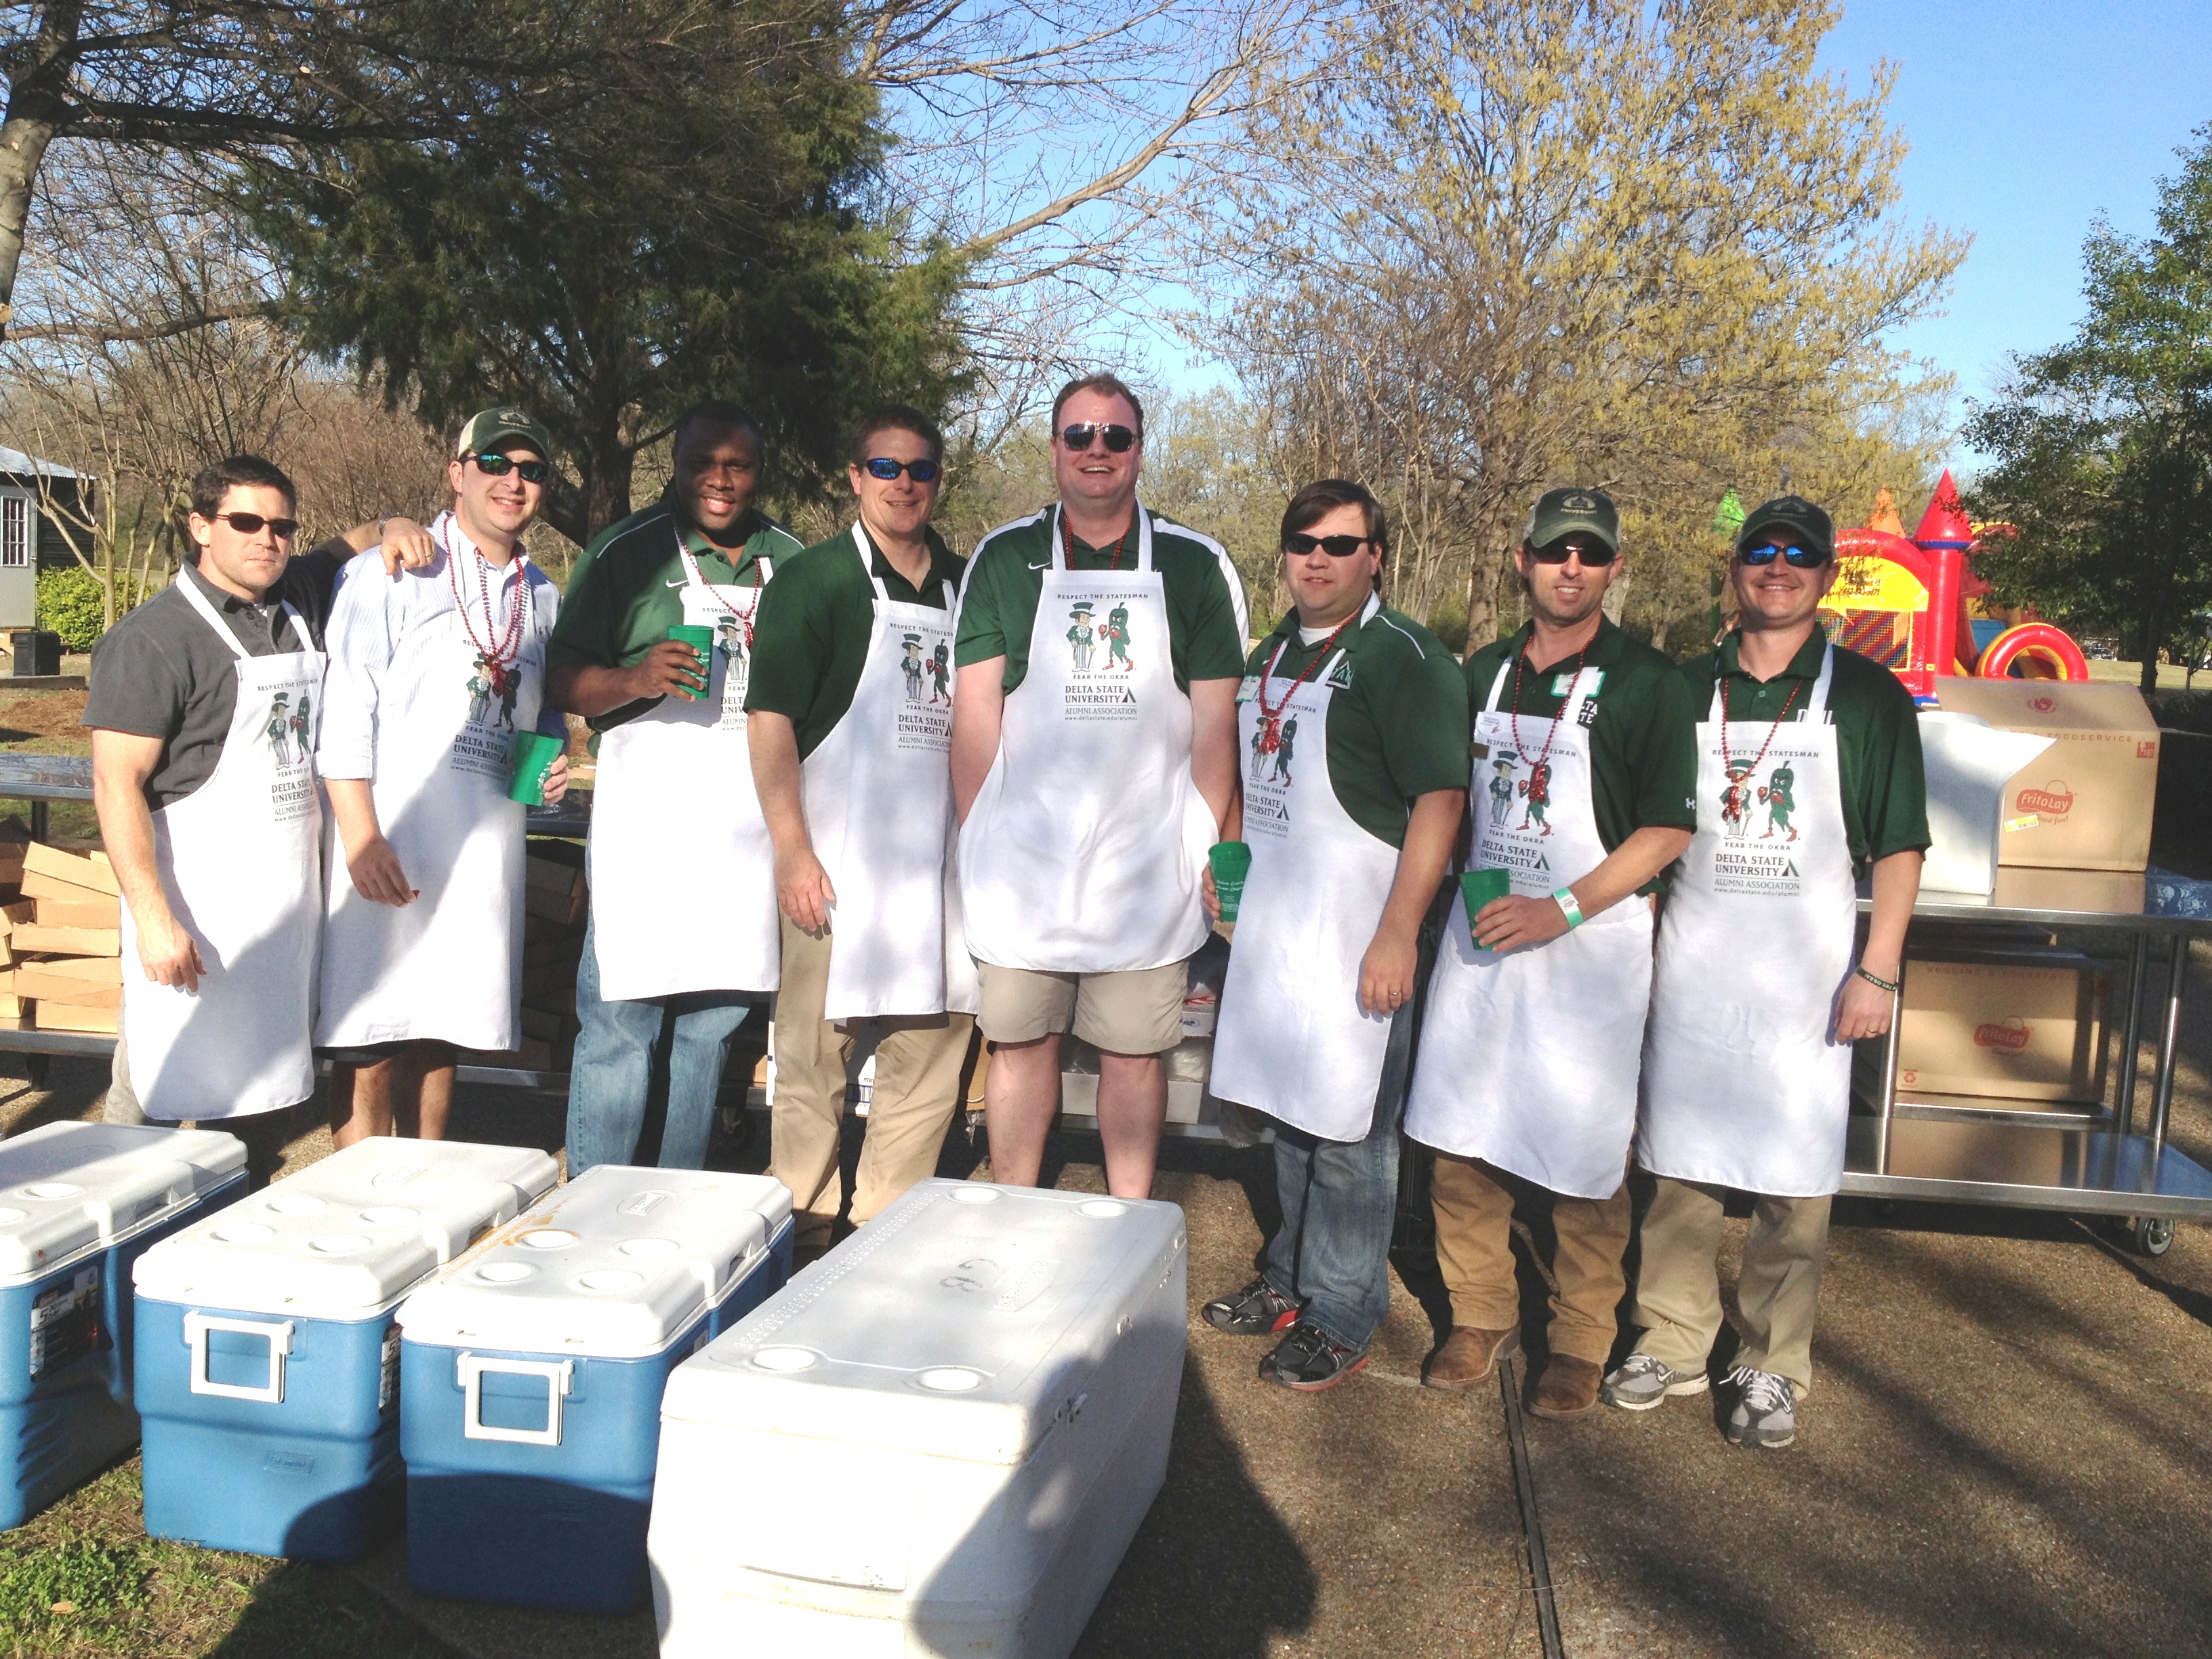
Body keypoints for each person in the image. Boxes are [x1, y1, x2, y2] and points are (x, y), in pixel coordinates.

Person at [1604, 495, 1927, 1450]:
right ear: (1733, 571)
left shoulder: (1868, 698)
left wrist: (1880, 972)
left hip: (1809, 984)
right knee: (1677, 1171)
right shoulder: (1680, 687)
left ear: (1826, 578)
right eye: (1759, 552)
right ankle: (1669, 1335)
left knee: (1794, 1183)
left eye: (1799, 555)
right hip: (1695, 969)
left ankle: (1773, 1363)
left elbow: (1900, 849)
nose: (1776, 567)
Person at [1404, 487, 1698, 1416]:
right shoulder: (1483, 672)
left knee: (1583, 1148)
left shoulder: (1650, 682)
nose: (1572, 568)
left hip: (1589, 946)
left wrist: (1561, 908)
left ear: (1612, 569)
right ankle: (1480, 1313)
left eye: (1591, 554)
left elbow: (1666, 830)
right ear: (1523, 561)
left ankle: (1578, 1337)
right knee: (1460, 1132)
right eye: (1555, 551)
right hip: (1484, 937)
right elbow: (1447, 800)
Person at [951, 373, 1246, 1199]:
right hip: (1025, 867)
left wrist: (1208, 847)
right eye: (1078, 435)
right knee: (1020, 1046)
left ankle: (1129, 1221)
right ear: (1053, 450)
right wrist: (982, 839)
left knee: (1134, 1055)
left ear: (1140, 453)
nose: (1096, 451)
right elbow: (974, 713)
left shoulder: (1196, 566)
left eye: (1114, 437)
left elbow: (1215, 728)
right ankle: (1014, 1203)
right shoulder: (1006, 557)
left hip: (1144, 866)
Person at [1200, 480, 1468, 1390]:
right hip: (1279, 934)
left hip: (1361, 931)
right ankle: (1288, 1279)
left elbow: (1440, 801)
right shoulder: (1272, 650)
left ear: (1375, 557)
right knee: (1290, 1114)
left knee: (1353, 1131)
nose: (1318, 557)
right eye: (1303, 540)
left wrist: (1399, 933)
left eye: (1341, 544)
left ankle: (1345, 1309)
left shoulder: (1408, 661)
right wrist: (1227, 868)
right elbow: (1244, 774)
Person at [85, 457, 421, 1171]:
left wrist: (395, 528)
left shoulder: (295, 598)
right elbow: (116, 786)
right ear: (200, 526)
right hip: (192, 915)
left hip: (279, 920)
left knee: (251, 1109)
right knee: (149, 1092)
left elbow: (353, 541)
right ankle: (101, 1236)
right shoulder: (152, 641)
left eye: (281, 526)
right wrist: (152, 919)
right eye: (245, 522)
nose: (266, 539)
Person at [745, 403, 977, 1261]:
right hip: (835, 863)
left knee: (930, 1055)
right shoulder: (816, 583)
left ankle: (886, 1229)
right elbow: (770, 723)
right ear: (855, 476)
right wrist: (791, 849)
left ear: (937, 479)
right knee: (812, 1060)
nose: (904, 484)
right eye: (885, 467)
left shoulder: (967, 582)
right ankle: (799, 1225)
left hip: (938, 870)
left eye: (919, 469)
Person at [546, 401, 804, 1173]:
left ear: (759, 473)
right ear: (676, 466)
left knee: (709, 1031)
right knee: (624, 1021)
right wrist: (633, 676)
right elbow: (561, 678)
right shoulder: (624, 552)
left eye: (738, 465)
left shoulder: (789, 559)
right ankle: (592, 1201)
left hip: (745, 835)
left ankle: (675, 1206)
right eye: (702, 462)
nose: (720, 481)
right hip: (649, 834)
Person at [313, 408, 569, 1145]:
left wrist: (543, 769)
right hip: (391, 841)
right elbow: (345, 711)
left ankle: (430, 1186)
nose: (513, 481)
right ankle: (358, 1204)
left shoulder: (541, 593)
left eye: (532, 470)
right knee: (372, 1032)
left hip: (480, 855)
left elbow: (541, 713)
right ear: (457, 474)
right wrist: (361, 837)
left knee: (443, 1031)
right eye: (495, 462)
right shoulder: (391, 572)